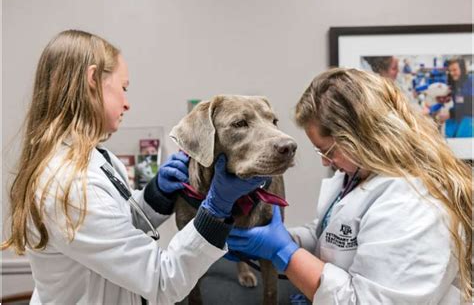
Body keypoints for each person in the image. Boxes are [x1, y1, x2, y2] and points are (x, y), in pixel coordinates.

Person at [1, 30, 265, 304]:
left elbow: (115, 227)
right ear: (92, 80)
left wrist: (156, 195)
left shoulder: (96, 157)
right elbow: (163, 281)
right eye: (123, 88)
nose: (127, 103)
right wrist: (215, 210)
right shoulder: (70, 187)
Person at [225, 68, 472, 304]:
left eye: (328, 150)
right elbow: (334, 235)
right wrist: (287, 240)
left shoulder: (414, 205)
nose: (324, 161)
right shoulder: (360, 175)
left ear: (362, 136)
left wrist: (284, 251)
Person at [445, 58, 474, 137]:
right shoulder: (456, 83)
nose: (452, 73)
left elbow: (470, 106)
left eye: (454, 70)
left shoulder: (470, 81)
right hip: (458, 117)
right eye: (450, 70)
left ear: (462, 69)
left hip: (469, 119)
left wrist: (450, 113)